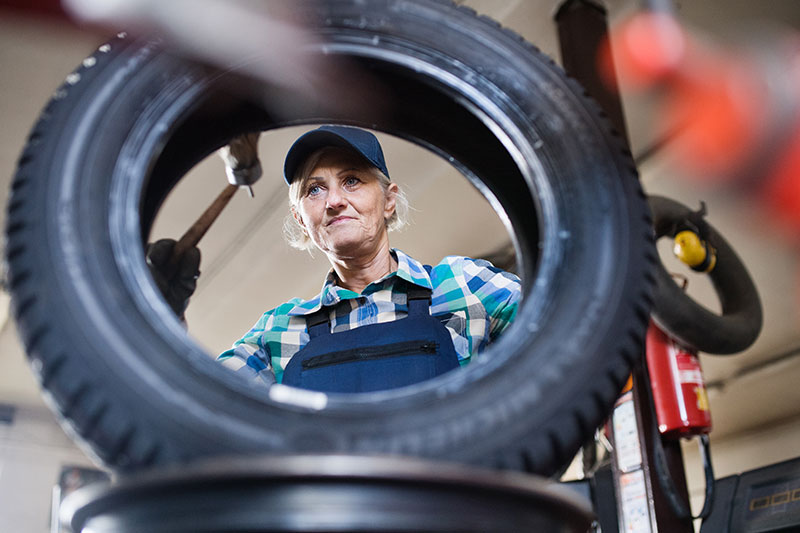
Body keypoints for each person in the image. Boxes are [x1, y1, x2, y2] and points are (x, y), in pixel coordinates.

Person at [152, 125, 521, 393]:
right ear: (301, 219)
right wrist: (158, 320)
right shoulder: (278, 331)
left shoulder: (464, 285)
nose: (333, 201)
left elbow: (571, 330)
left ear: (389, 199)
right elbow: (195, 406)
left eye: (352, 181)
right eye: (315, 189)